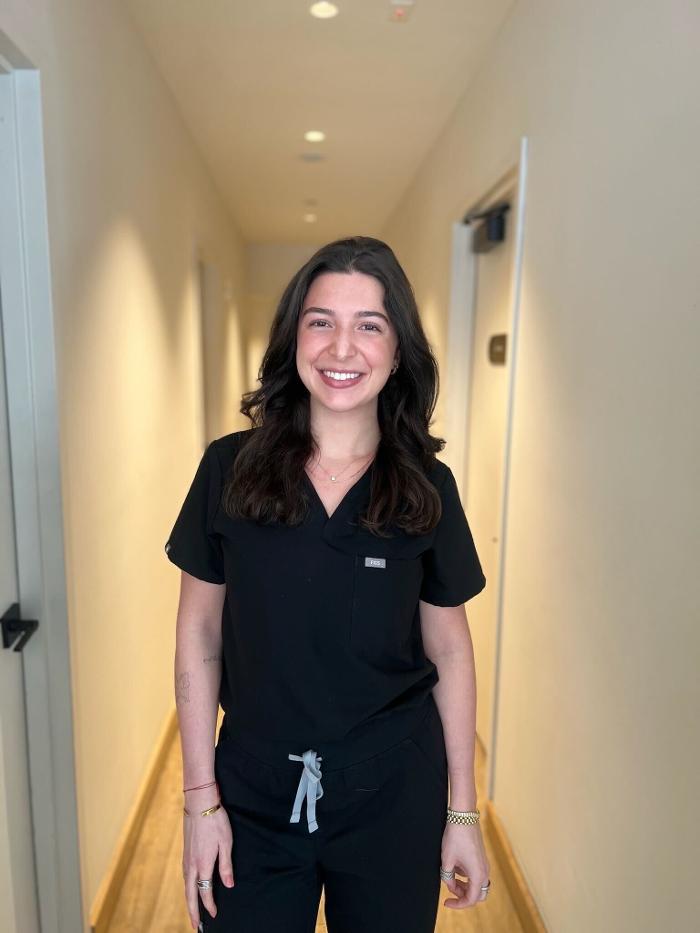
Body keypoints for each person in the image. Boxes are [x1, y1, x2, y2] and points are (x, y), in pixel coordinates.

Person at [165, 236, 492, 933]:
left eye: (369, 325)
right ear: (294, 338)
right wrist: (200, 799)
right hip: (251, 791)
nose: (342, 348)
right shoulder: (229, 469)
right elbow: (199, 630)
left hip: (393, 793)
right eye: (321, 321)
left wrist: (462, 810)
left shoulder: (426, 487)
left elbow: (450, 650)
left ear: (398, 351)